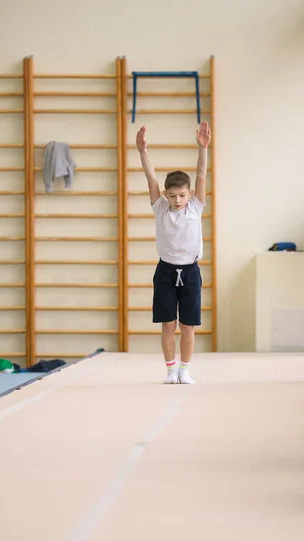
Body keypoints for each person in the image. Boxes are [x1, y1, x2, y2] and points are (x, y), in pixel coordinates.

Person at [136, 121, 211, 384]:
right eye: (172, 196)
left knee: (187, 325)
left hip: (190, 271)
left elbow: (201, 174)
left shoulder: (195, 207)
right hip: (166, 271)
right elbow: (151, 178)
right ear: (165, 195)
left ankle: (185, 370)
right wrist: (142, 152)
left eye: (181, 195)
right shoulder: (160, 208)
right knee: (168, 324)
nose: (177, 200)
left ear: (190, 194)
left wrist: (203, 148)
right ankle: (170, 371)